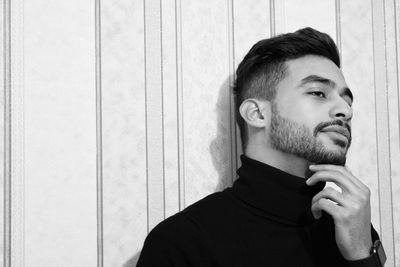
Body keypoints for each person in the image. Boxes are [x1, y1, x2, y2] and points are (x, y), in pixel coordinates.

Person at [136, 28, 386, 266]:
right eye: (319, 93)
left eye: (347, 99)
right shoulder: (183, 243)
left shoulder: (353, 228)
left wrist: (362, 257)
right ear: (256, 113)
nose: (346, 110)